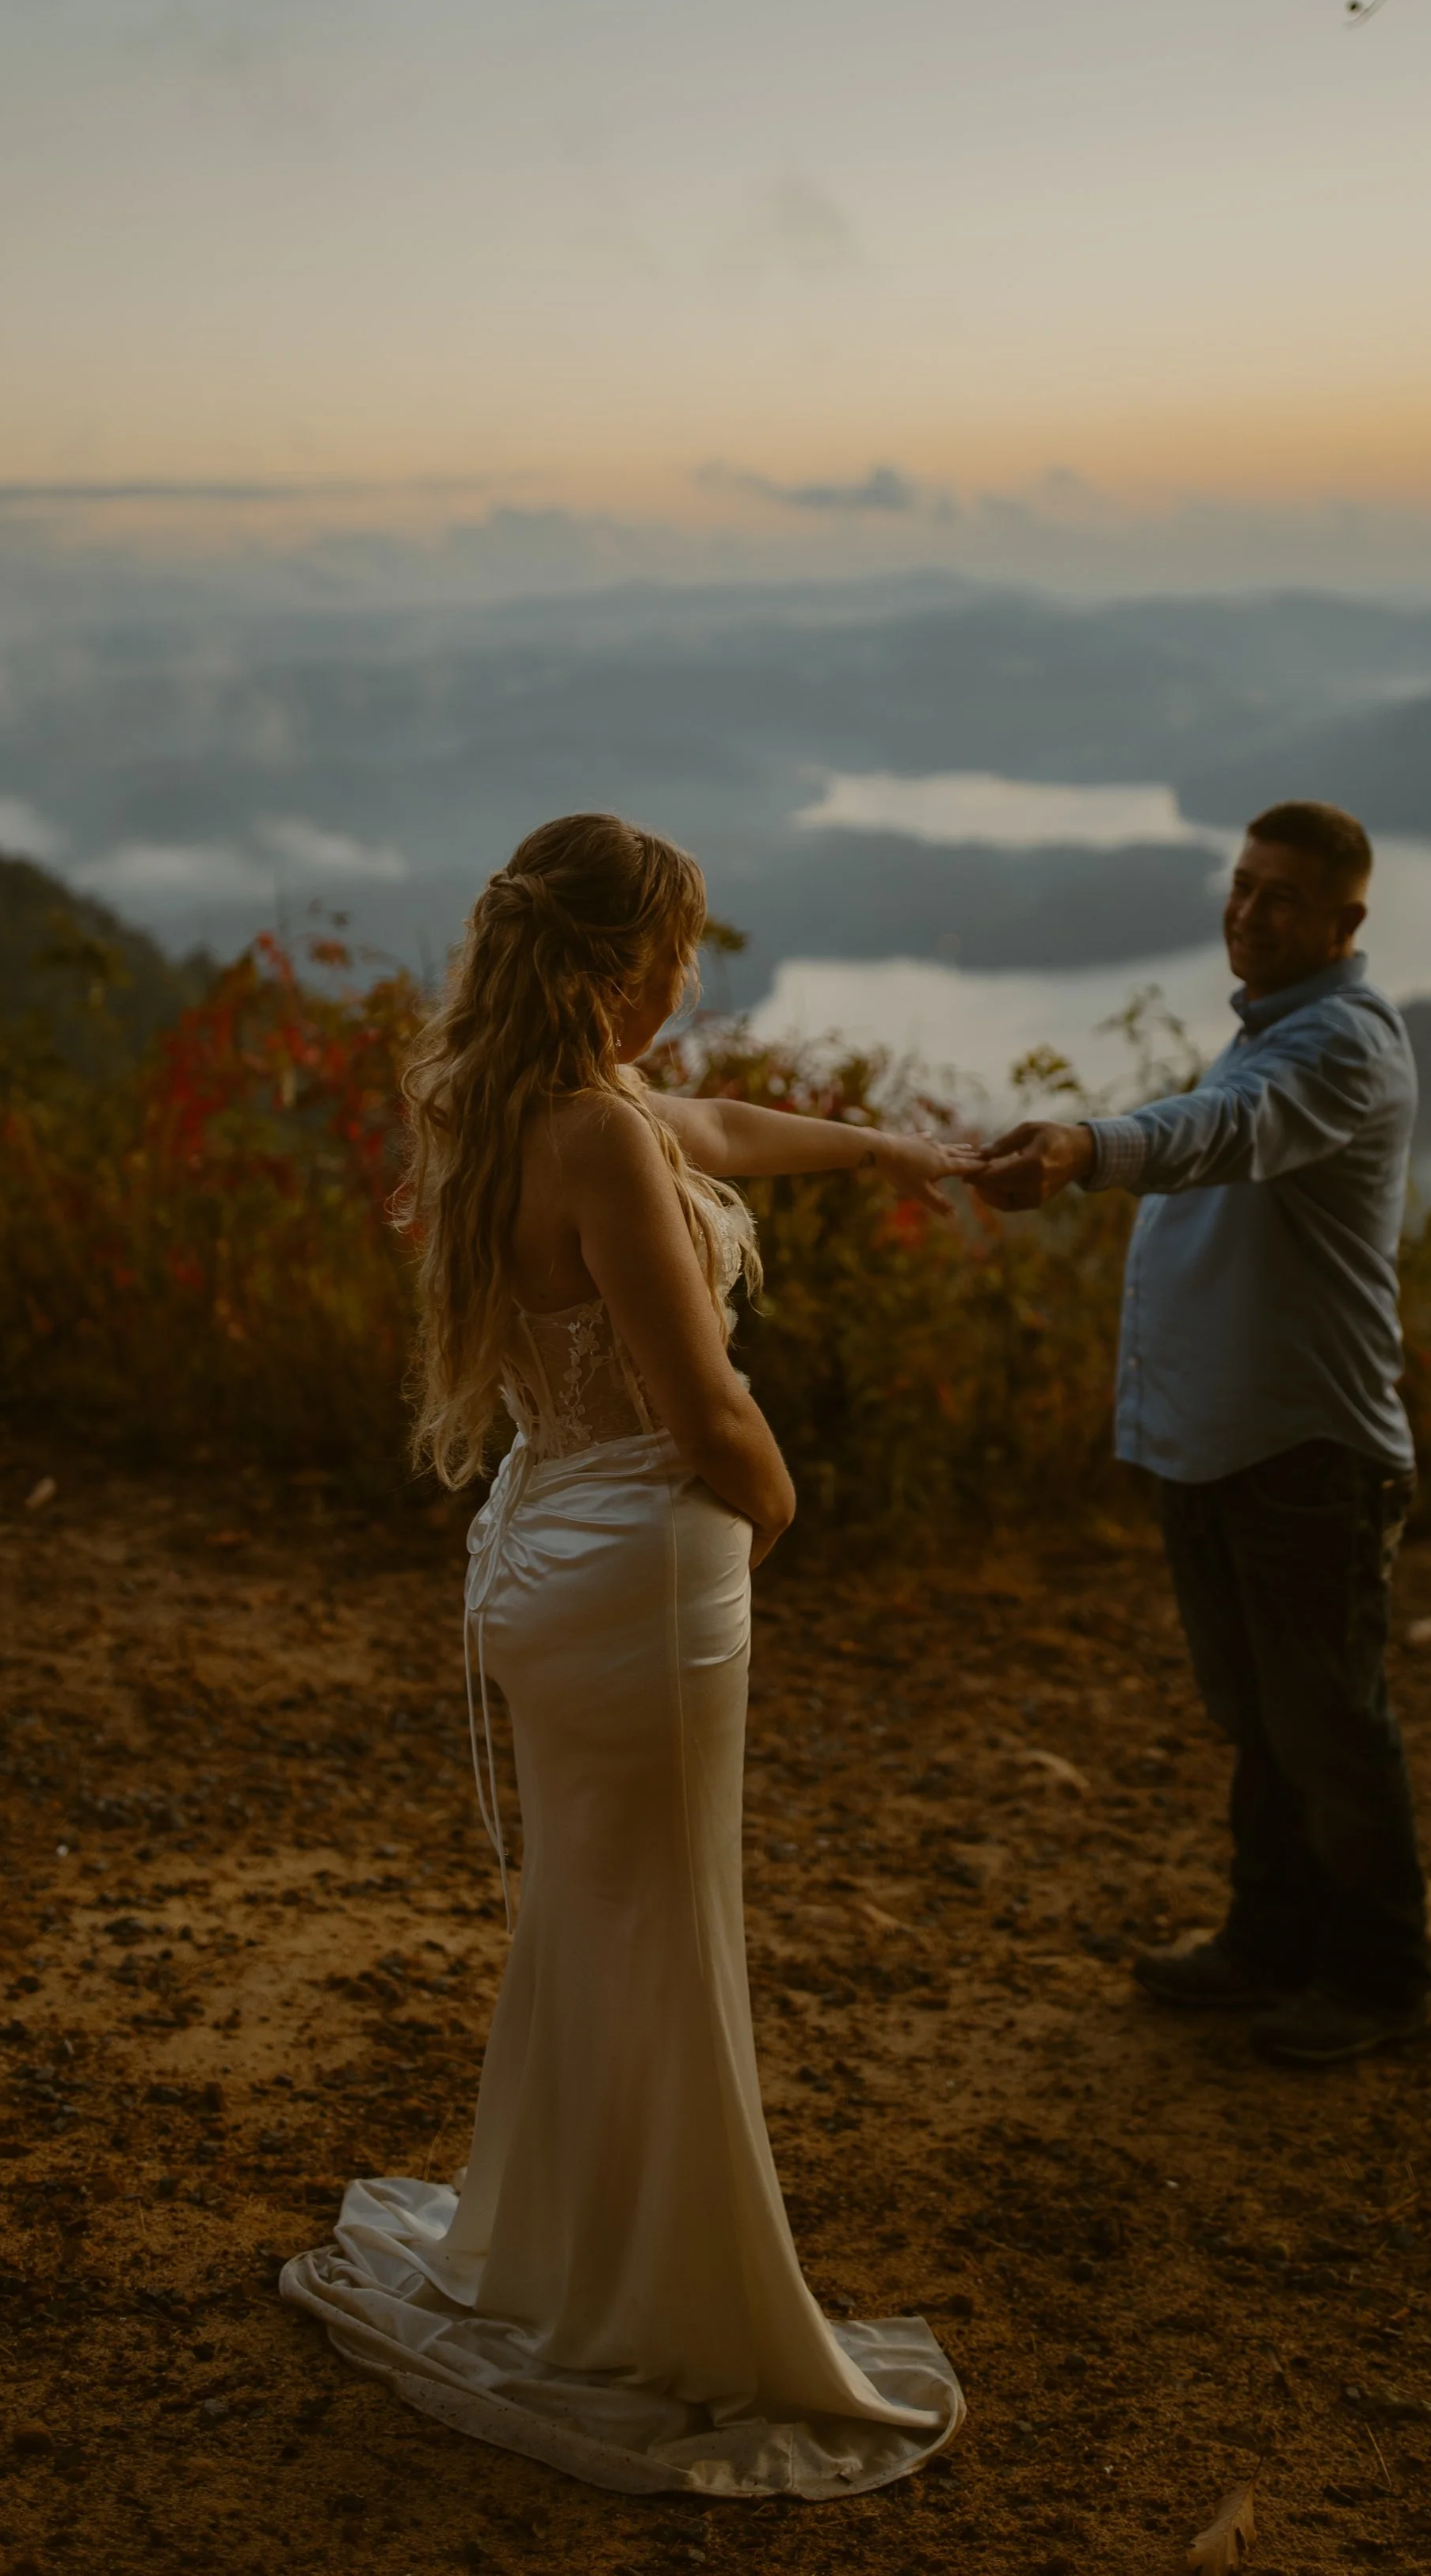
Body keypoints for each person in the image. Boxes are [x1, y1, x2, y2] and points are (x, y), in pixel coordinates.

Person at [281, 812, 972, 2498]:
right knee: (666, 1937)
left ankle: (558, 2251)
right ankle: (671, 2308)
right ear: (615, 962)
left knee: (592, 1920)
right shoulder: (591, 1129)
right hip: (637, 1579)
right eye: (679, 948)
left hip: (538, 1560)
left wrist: (893, 1158)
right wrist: (773, 1502)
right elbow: (699, 1400)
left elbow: (713, 1127)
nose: (688, 975)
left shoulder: (505, 1103)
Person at [969, 800, 1429, 2067]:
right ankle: (1271, 1940)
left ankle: (1381, 1974)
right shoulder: (1272, 1031)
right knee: (1264, 1713)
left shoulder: (1338, 1048)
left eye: (1282, 896)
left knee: (1328, 1715)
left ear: (1348, 921)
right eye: (1240, 885)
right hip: (1228, 1444)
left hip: (1307, 1447)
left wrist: (1081, 1143)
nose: (1248, 911)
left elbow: (1220, 1137)